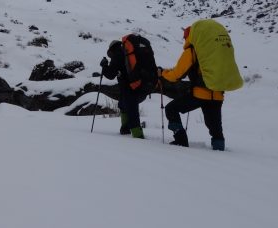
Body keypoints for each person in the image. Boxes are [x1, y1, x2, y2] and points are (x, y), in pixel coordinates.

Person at [158, 20, 240, 151]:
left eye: (185, 37)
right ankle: (220, 152)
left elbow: (176, 75)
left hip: (200, 94)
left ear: (189, 37)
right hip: (218, 95)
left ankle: (181, 142)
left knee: (171, 109)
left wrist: (163, 73)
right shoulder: (211, 52)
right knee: (215, 128)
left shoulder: (192, 50)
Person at [99, 35, 157, 139]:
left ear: (111, 49)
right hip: (142, 82)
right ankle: (125, 128)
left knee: (131, 109)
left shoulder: (117, 54)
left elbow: (110, 74)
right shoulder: (130, 51)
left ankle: (137, 135)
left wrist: (104, 66)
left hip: (130, 87)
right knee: (123, 104)